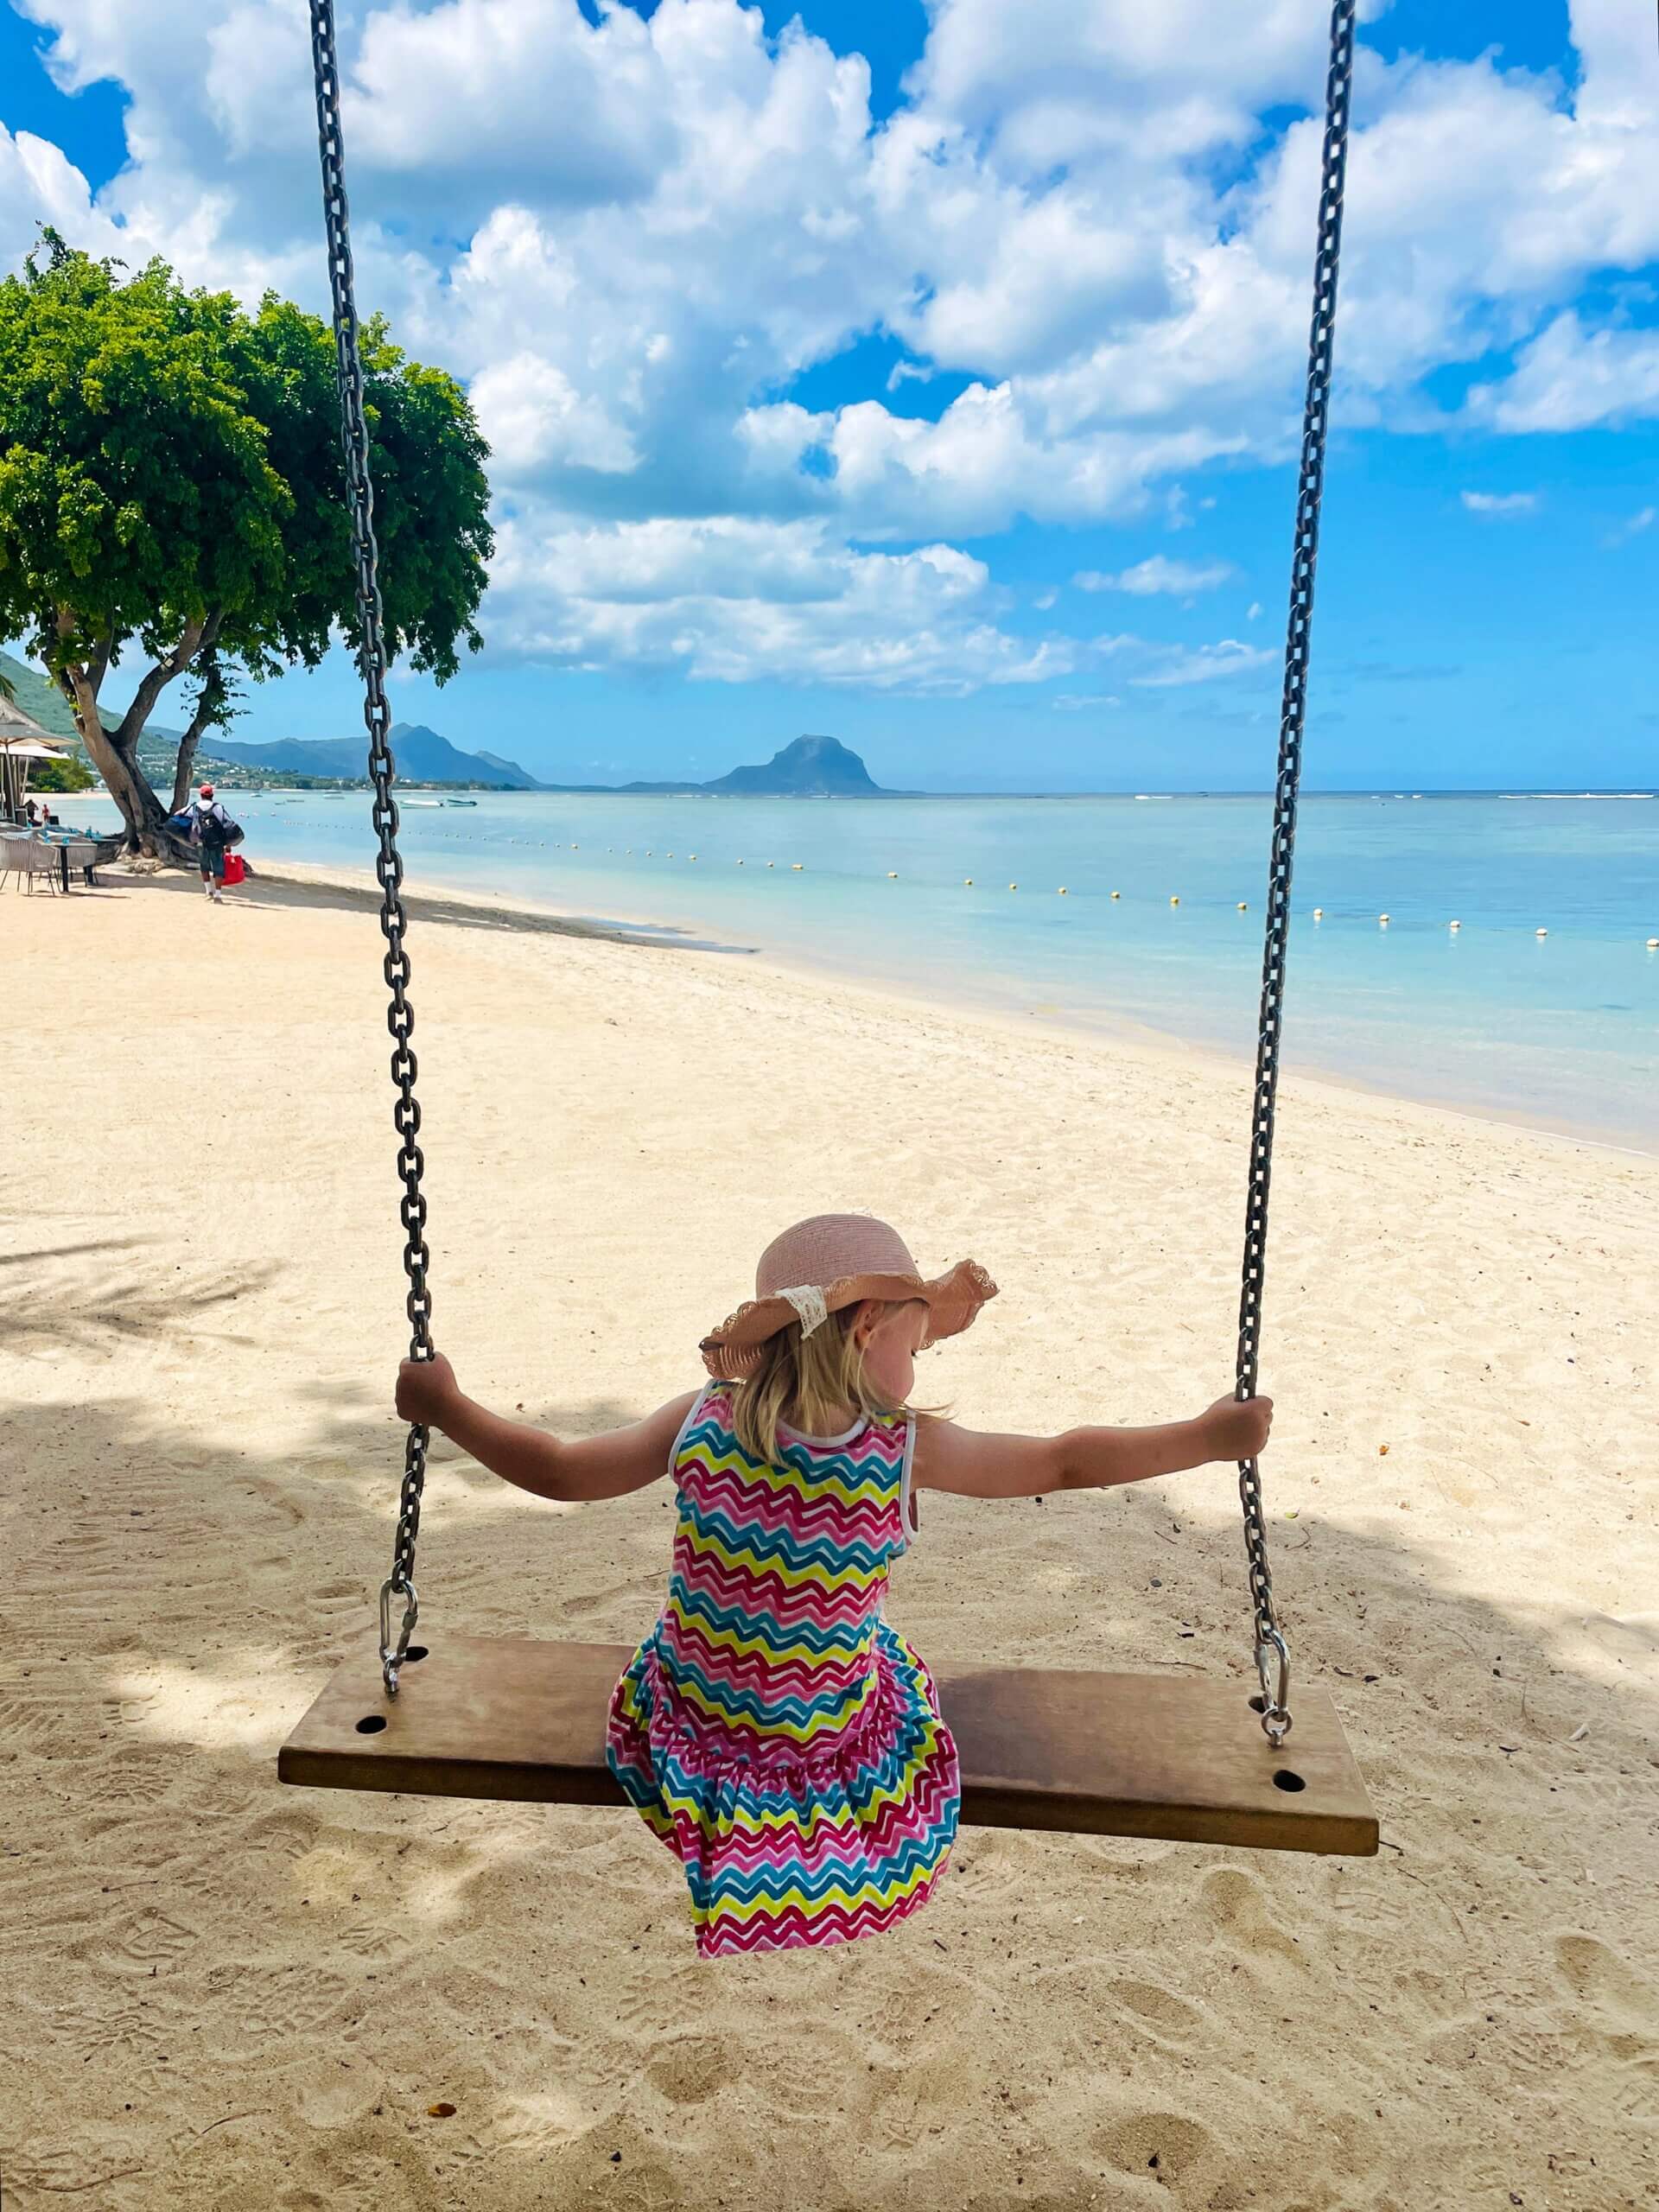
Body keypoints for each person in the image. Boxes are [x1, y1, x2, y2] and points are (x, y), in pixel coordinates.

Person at [395, 1212, 1273, 1961]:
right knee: (874, 1664)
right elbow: (1064, 1458)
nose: (916, 1371)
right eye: (916, 1348)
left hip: (688, 1728)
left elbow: (560, 1471)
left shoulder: (703, 1416)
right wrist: (1203, 1437)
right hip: (818, 1745)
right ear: (865, 1334)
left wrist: (450, 1409)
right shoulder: (902, 1450)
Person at [188, 783, 236, 901]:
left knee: (204, 867)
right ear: (212, 795)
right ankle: (218, 895)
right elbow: (228, 826)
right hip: (217, 842)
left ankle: (208, 892)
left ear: (201, 795)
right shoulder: (218, 807)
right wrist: (229, 844)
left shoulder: (194, 807)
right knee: (218, 868)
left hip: (201, 842)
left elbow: (182, 817)